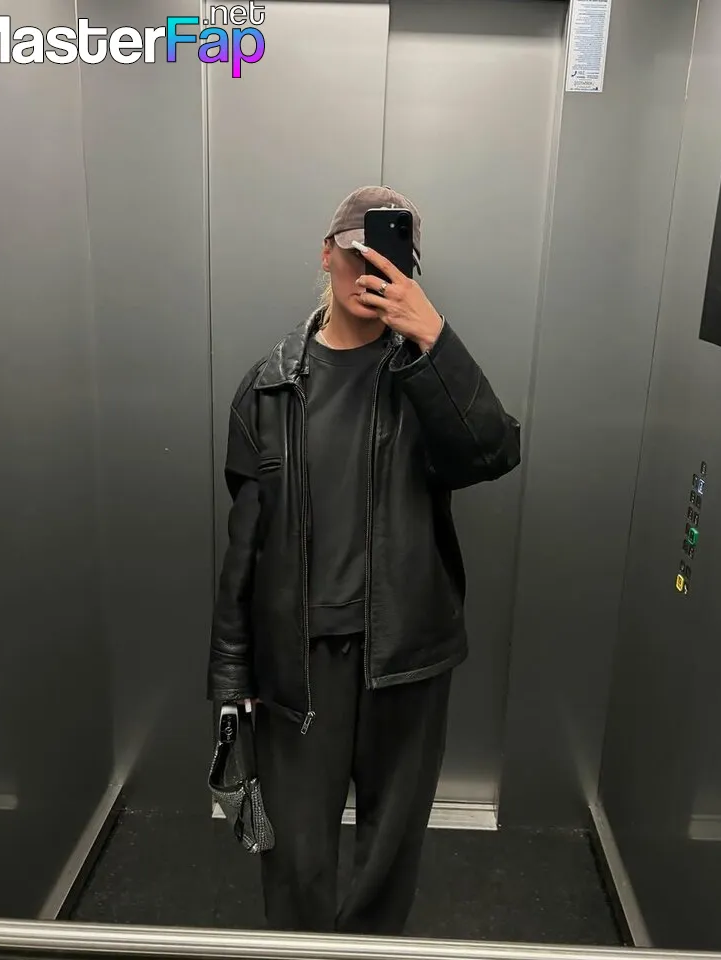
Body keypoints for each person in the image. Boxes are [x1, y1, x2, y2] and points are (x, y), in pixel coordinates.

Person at [207, 185, 520, 935]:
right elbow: (244, 544)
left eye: (389, 260)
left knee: (388, 855)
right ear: (327, 255)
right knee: (296, 860)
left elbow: (493, 451)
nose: (369, 273)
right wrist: (232, 676)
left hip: (405, 656)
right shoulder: (269, 386)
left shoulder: (424, 378)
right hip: (298, 663)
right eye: (356, 255)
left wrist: (433, 337)